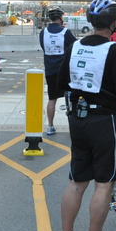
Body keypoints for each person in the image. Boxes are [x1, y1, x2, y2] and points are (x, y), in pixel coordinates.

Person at [55, 0, 116, 231]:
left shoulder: (75, 45)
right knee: (103, 184)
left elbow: (62, 80)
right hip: (104, 121)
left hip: (78, 119)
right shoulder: (113, 50)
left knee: (77, 181)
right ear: (113, 22)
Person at [39, 8, 76, 136]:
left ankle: (50, 126)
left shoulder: (43, 32)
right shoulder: (65, 32)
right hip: (65, 70)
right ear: (61, 19)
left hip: (50, 70)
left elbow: (43, 47)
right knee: (72, 97)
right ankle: (74, 126)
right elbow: (75, 46)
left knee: (52, 98)